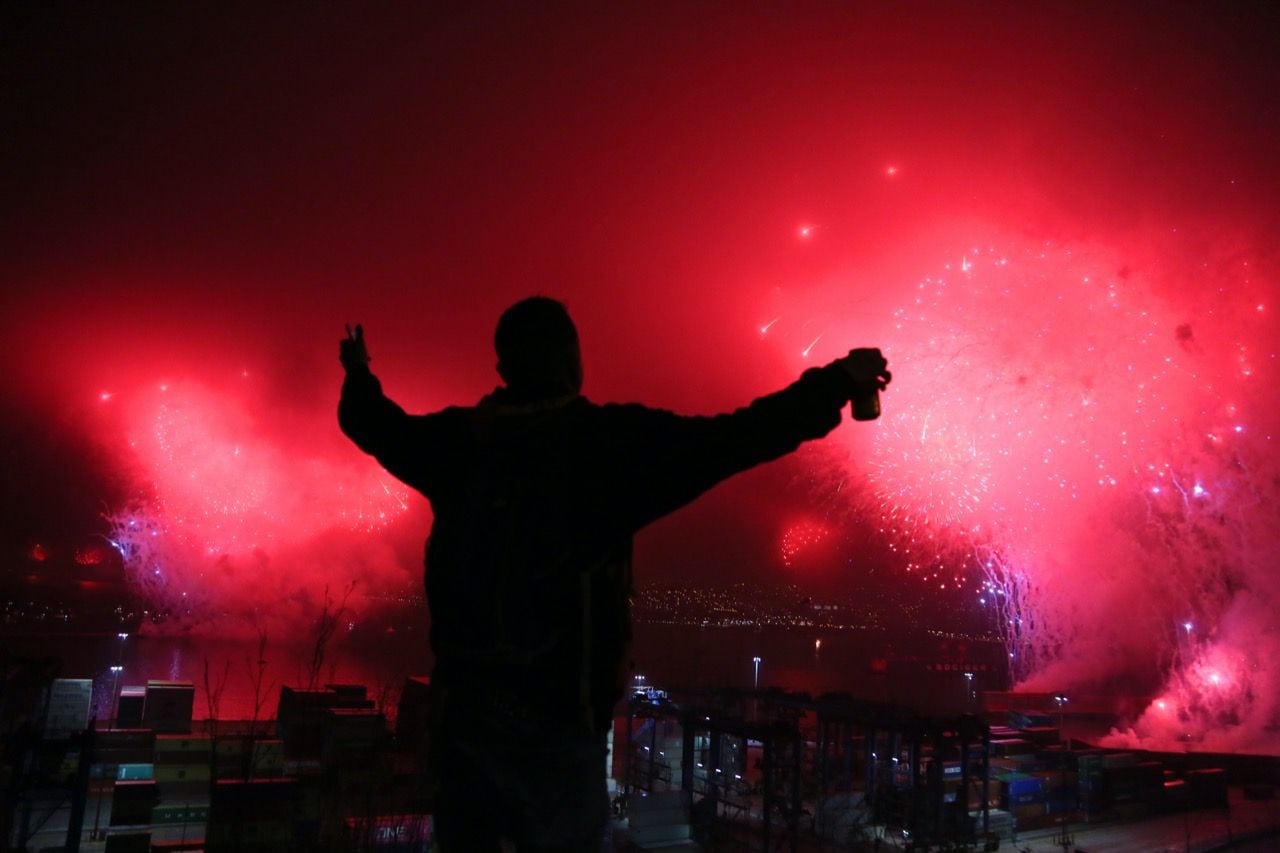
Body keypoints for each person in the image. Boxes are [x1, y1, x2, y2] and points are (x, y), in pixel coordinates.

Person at [338, 296, 890, 851]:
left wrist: (359, 371)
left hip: (464, 723)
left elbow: (376, 426)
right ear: (573, 360)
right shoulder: (606, 447)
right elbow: (739, 436)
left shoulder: (458, 444)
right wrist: (839, 381)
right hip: (559, 730)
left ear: (504, 368)